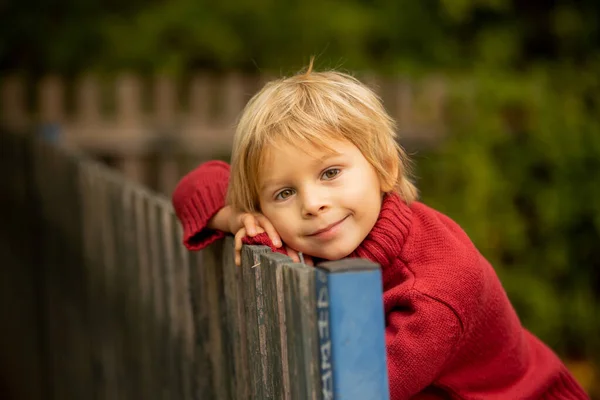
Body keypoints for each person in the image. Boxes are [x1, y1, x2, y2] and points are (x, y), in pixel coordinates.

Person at [171, 61, 588, 399]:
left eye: (330, 172)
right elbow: (193, 187)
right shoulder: (324, 227)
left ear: (385, 167)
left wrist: (273, 239)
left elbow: (357, 390)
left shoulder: (436, 289)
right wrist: (235, 218)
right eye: (283, 193)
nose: (312, 203)